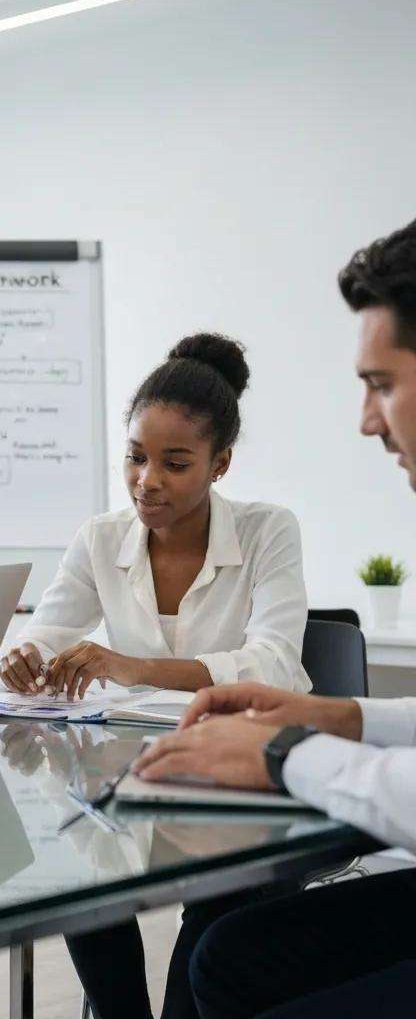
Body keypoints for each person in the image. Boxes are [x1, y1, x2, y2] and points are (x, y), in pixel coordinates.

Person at [135, 219, 416, 1019]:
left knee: (238, 959)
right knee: (235, 955)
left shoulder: (267, 529)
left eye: (383, 383)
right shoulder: (102, 537)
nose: (367, 419)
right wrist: (341, 715)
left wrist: (291, 753)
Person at [0, 333, 311, 1019]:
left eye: (175, 463)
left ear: (220, 464)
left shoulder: (267, 532)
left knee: (208, 951)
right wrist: (24, 659)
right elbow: (47, 631)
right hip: (142, 769)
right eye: (136, 458)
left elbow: (274, 664)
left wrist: (136, 666)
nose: (148, 480)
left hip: (252, 781)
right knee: (79, 878)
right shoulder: (101, 537)